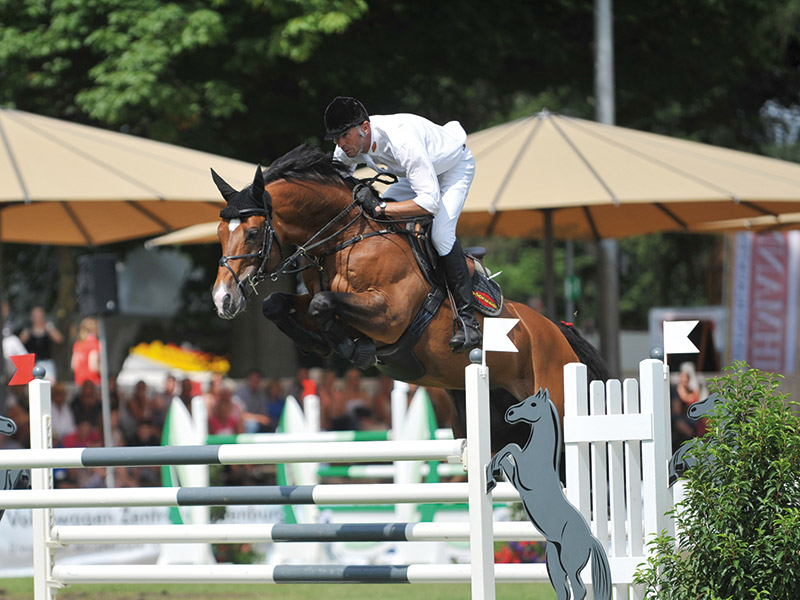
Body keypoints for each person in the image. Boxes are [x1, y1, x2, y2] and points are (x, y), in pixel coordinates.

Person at [324, 96, 481, 354]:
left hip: (453, 169)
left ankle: (468, 321)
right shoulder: (348, 146)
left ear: (365, 127)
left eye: (344, 136)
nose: (340, 144)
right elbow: (336, 183)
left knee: (441, 234)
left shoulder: (401, 140)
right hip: (414, 175)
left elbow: (430, 204)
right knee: (370, 220)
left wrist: (380, 207)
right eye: (335, 139)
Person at [19, 306, 64, 381]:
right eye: (35, 316)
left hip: (46, 363)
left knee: (50, 383)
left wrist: (49, 327)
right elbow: (18, 345)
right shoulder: (27, 331)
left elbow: (59, 339)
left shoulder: (48, 329)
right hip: (32, 364)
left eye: (40, 316)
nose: (37, 319)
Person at [71, 317, 100, 386]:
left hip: (79, 381)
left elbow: (73, 366)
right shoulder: (94, 343)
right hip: (92, 382)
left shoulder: (78, 344)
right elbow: (94, 366)